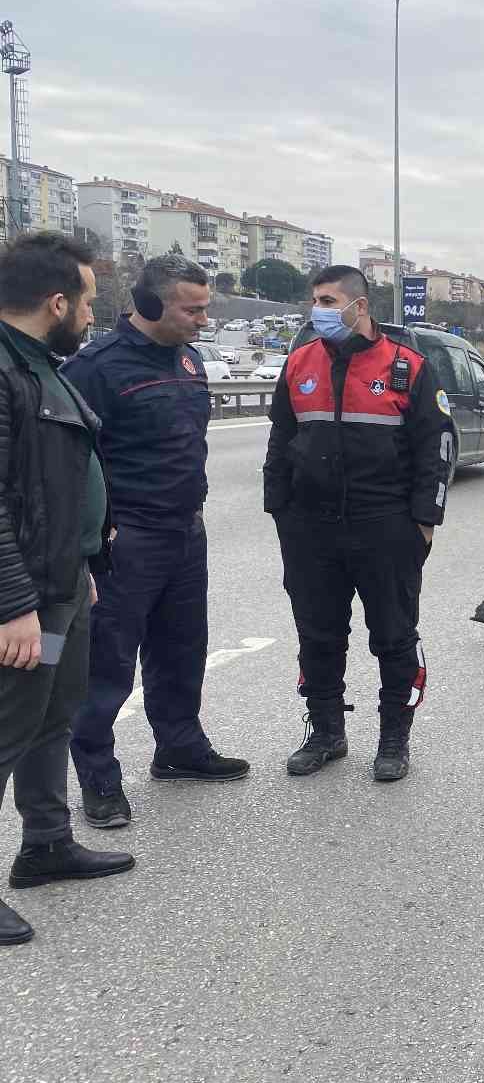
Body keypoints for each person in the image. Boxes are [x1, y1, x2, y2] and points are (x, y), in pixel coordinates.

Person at [63, 256, 248, 829]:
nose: (203, 320)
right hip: (127, 538)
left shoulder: (189, 359)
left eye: (206, 308)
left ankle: (180, 748)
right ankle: (98, 778)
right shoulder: (94, 368)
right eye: (191, 309)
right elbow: (70, 461)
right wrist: (98, 533)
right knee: (108, 664)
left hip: (185, 531)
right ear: (147, 305)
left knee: (181, 650)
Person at [264, 265, 453, 782]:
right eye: (315, 301)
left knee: (393, 635)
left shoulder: (407, 367)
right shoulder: (299, 362)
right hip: (311, 528)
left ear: (360, 306)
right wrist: (279, 510)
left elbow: (435, 449)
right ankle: (326, 730)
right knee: (318, 635)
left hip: (385, 524)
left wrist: (424, 522)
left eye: (328, 301)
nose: (318, 311)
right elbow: (280, 439)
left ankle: (394, 736)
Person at [0, 232, 134, 946]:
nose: (91, 313)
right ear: (56, 302)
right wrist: (13, 606)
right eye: (85, 300)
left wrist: (79, 566)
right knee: (5, 728)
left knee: (52, 715)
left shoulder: (41, 365)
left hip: (59, 583)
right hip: (21, 598)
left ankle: (46, 844)